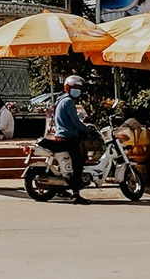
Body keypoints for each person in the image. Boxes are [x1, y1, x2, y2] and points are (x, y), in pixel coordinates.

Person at [39, 75, 97, 204]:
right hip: (69, 137)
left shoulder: (60, 100)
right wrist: (88, 130)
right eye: (75, 88)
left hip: (62, 136)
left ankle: (62, 188)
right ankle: (76, 194)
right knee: (78, 164)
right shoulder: (68, 102)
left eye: (79, 88)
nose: (77, 90)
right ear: (67, 88)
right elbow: (75, 122)